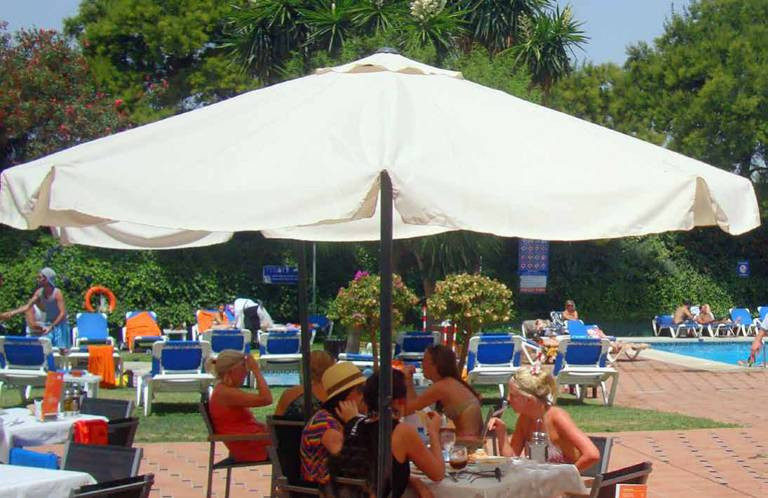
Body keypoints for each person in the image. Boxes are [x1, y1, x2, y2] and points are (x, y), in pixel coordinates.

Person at [330, 370, 444, 498]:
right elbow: (437, 473)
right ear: (400, 401)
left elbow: (372, 476)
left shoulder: (354, 425)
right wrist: (433, 432)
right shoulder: (401, 432)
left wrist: (414, 481)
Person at [488, 367, 599, 471]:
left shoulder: (557, 417)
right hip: (539, 481)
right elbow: (511, 463)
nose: (508, 399)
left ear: (528, 399)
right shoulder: (524, 419)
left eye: (513, 395)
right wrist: (502, 433)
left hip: (562, 483)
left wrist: (565, 476)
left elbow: (592, 454)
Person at [300, 361, 366, 493]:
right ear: (344, 397)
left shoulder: (334, 420)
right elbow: (353, 465)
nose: (365, 395)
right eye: (360, 390)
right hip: (324, 492)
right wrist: (353, 422)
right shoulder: (326, 425)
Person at [403, 345, 483, 442]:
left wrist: (406, 380)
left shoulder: (442, 387)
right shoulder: (451, 382)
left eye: (424, 360)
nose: (421, 364)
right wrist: (409, 381)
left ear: (435, 365)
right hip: (470, 438)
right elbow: (414, 406)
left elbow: (408, 410)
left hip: (467, 442)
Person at [207, 350, 273, 462]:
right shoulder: (225, 393)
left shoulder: (224, 390)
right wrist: (256, 371)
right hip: (251, 447)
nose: (246, 372)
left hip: (255, 440)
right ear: (232, 370)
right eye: (244, 368)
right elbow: (266, 399)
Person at [3, 268, 70, 348]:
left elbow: (62, 313)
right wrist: (11, 313)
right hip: (48, 324)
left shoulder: (57, 293)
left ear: (46, 279)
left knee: (62, 350)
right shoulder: (39, 292)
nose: (37, 279)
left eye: (39, 277)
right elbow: (28, 306)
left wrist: (51, 326)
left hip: (60, 325)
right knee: (45, 347)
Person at [275, 350, 336, 420]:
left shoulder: (289, 394)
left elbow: (276, 422)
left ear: (304, 367)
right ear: (331, 367)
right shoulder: (337, 395)